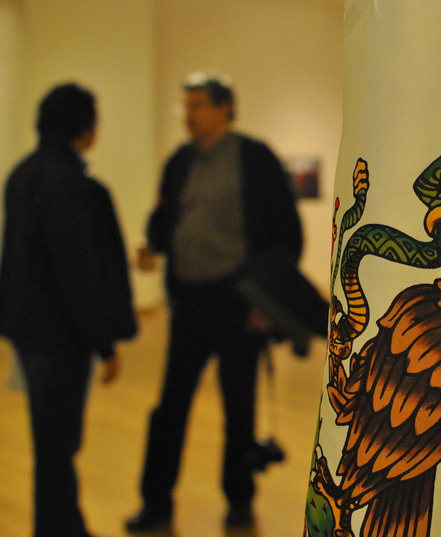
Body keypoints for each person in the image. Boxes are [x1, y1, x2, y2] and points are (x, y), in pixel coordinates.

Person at [126, 72, 314, 533]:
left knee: (239, 408)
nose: (188, 115)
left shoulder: (255, 158)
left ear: (224, 108)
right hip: (189, 303)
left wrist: (266, 305)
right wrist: (153, 244)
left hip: (238, 303)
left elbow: (286, 235)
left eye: (197, 105)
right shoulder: (180, 161)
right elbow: (165, 216)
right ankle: (155, 502)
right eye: (185, 106)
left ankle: (239, 499)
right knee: (171, 406)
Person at [0, 82, 137, 537]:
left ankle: (62, 524)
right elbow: (78, 274)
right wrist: (105, 343)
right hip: (59, 335)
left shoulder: (22, 174)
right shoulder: (72, 185)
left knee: (50, 439)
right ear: (85, 129)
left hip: (28, 330)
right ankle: (58, 528)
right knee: (58, 442)